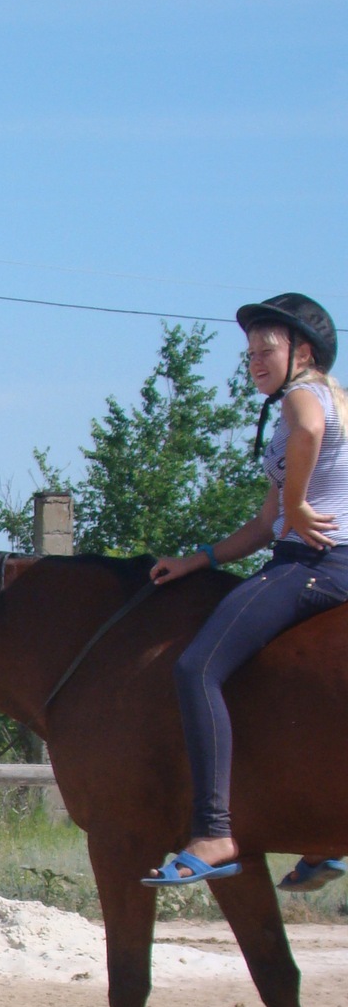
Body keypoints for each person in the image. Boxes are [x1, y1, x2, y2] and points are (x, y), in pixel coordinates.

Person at [143, 293, 348, 889]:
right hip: (316, 557)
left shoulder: (303, 396)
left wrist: (296, 503)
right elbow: (263, 526)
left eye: (267, 349)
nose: (255, 360)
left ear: (302, 352)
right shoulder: (331, 401)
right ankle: (324, 838)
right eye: (250, 352)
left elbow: (301, 449)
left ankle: (213, 830)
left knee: (196, 669)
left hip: (312, 563)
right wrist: (197, 560)